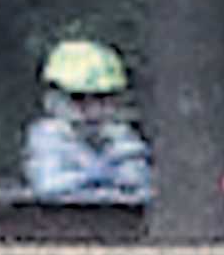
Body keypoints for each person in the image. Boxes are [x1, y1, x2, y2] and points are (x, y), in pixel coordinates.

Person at [23, 39, 150, 202]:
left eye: (102, 98)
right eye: (79, 98)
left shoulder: (123, 139)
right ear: (54, 100)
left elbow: (139, 186)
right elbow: (48, 188)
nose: (93, 111)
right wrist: (101, 179)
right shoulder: (47, 138)